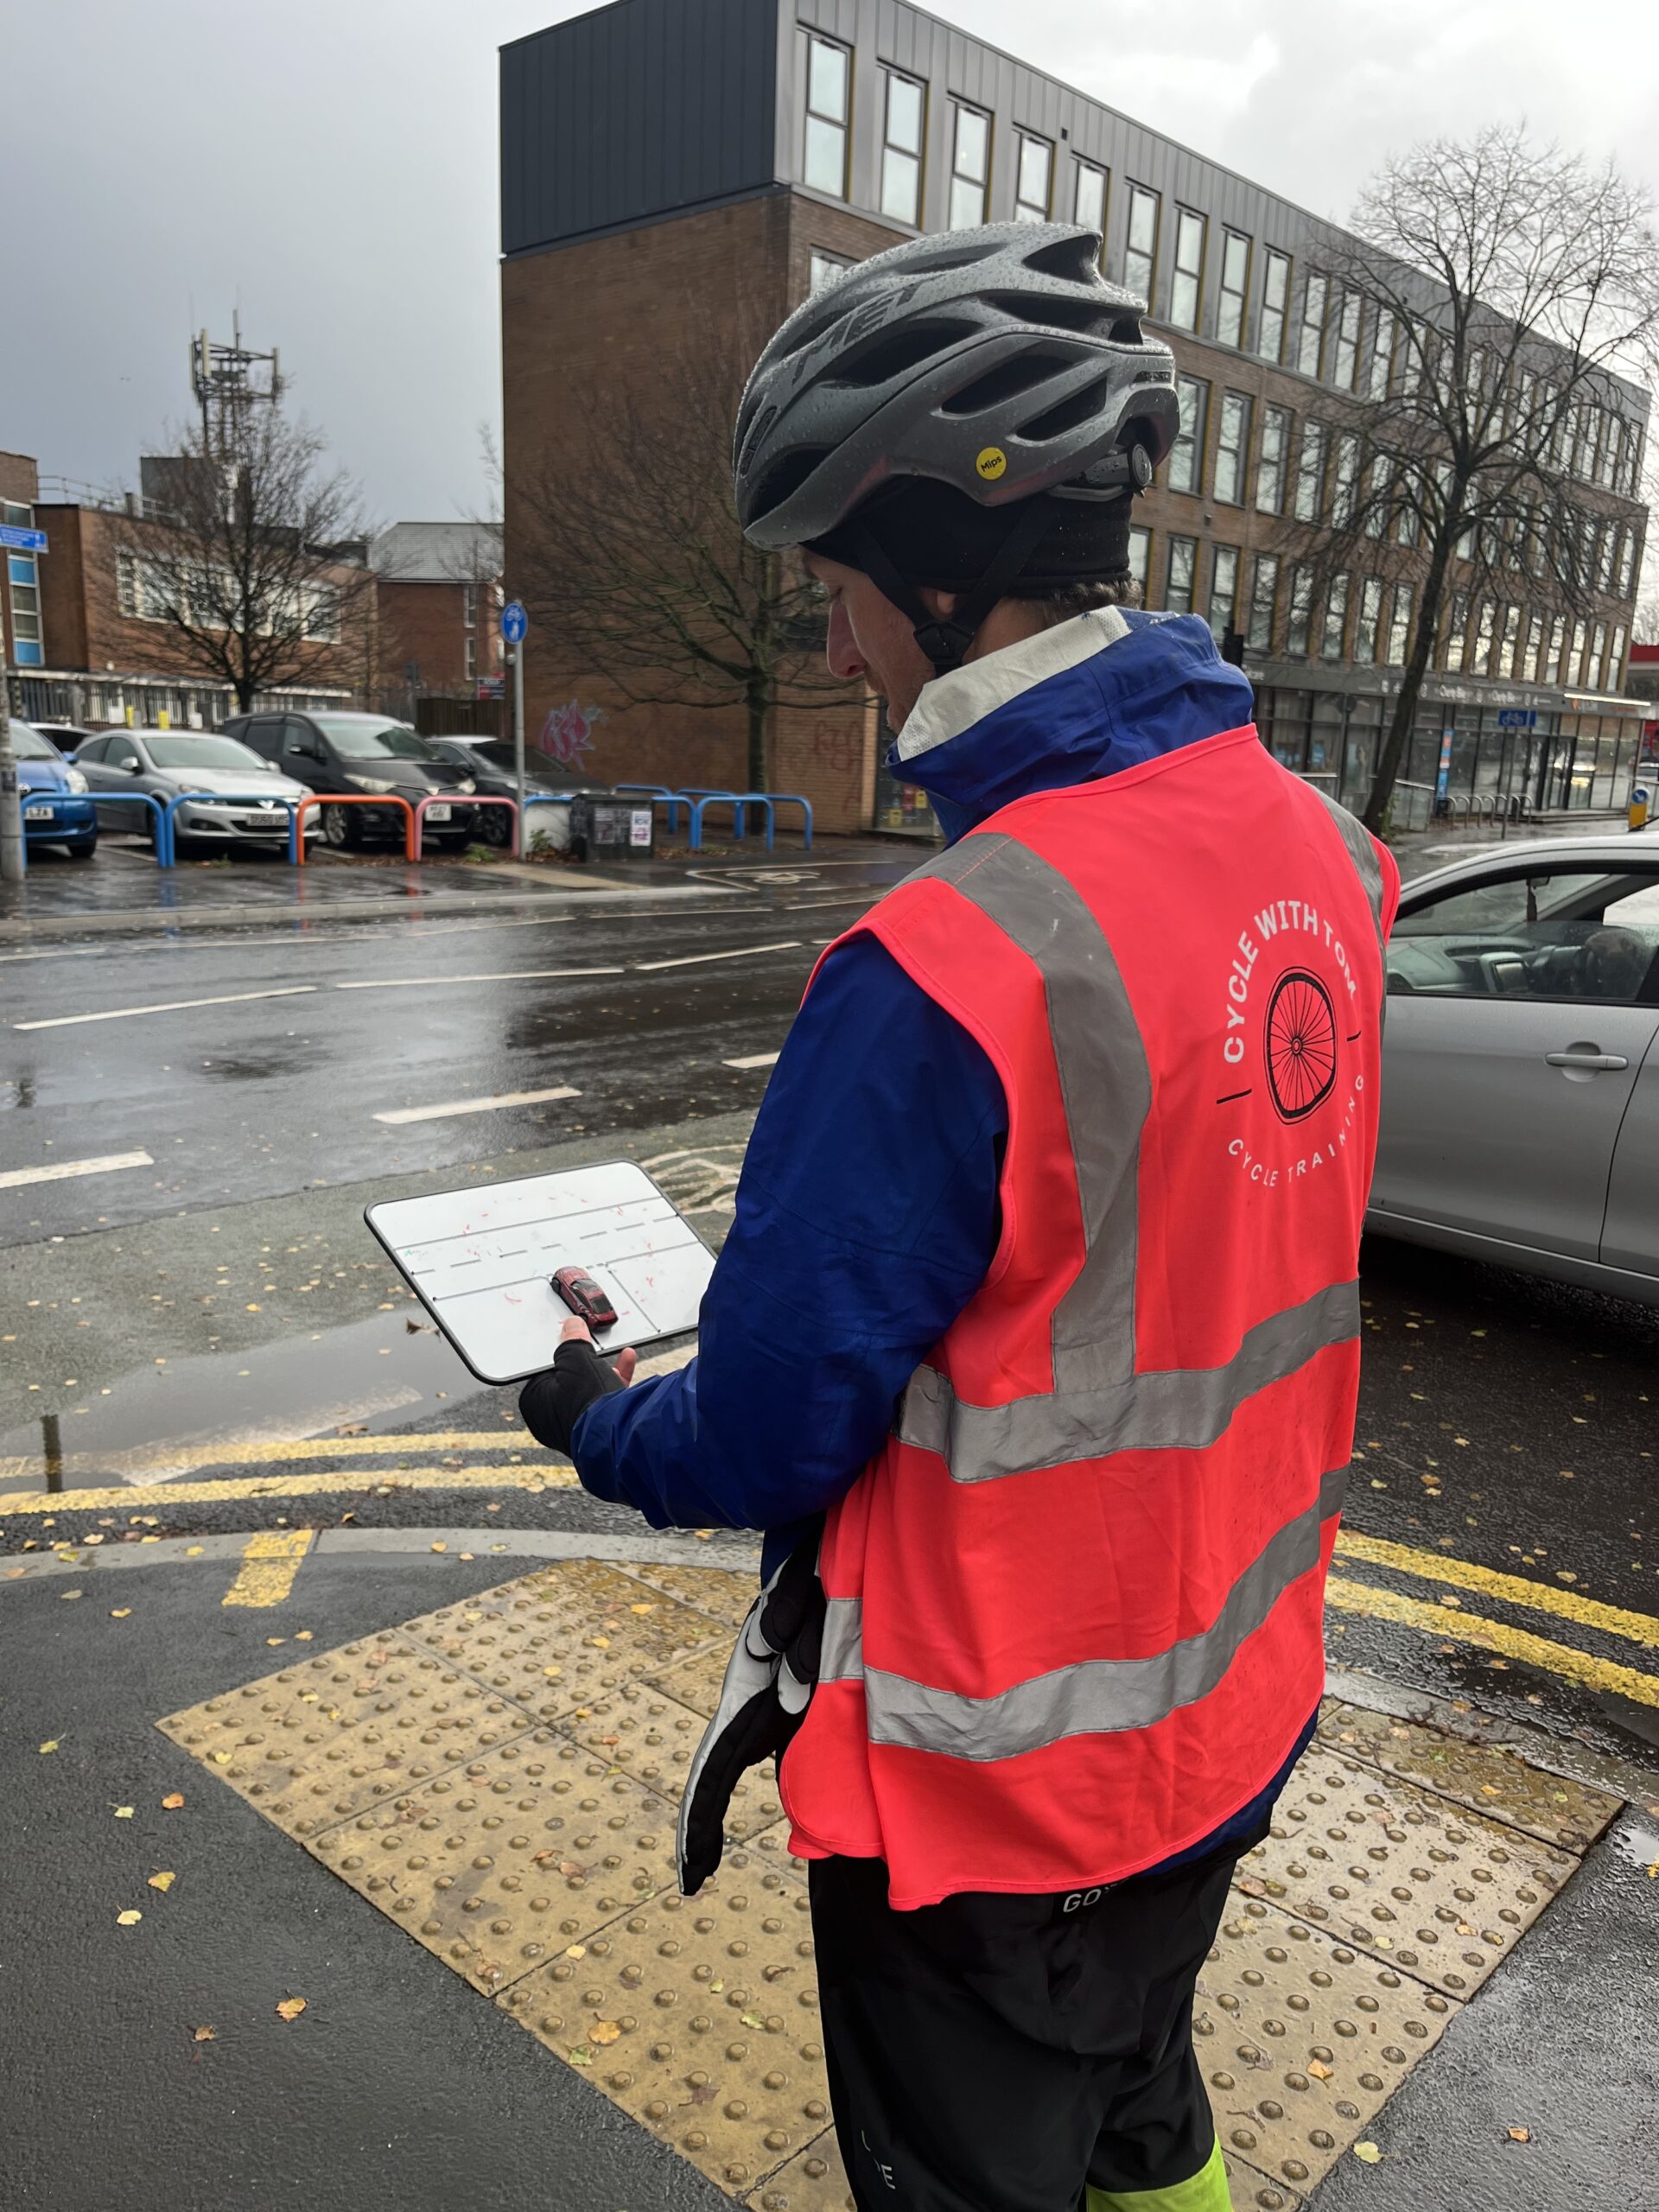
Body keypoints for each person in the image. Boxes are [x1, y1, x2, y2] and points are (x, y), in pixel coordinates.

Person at [521, 223, 1399, 2212]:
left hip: (1002, 1796)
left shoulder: (949, 958)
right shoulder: (1331, 857)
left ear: (939, 572)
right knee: (1148, 2118)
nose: (834, 649)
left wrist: (595, 1416)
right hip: (1235, 1707)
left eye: (837, 593)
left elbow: (763, 1425)